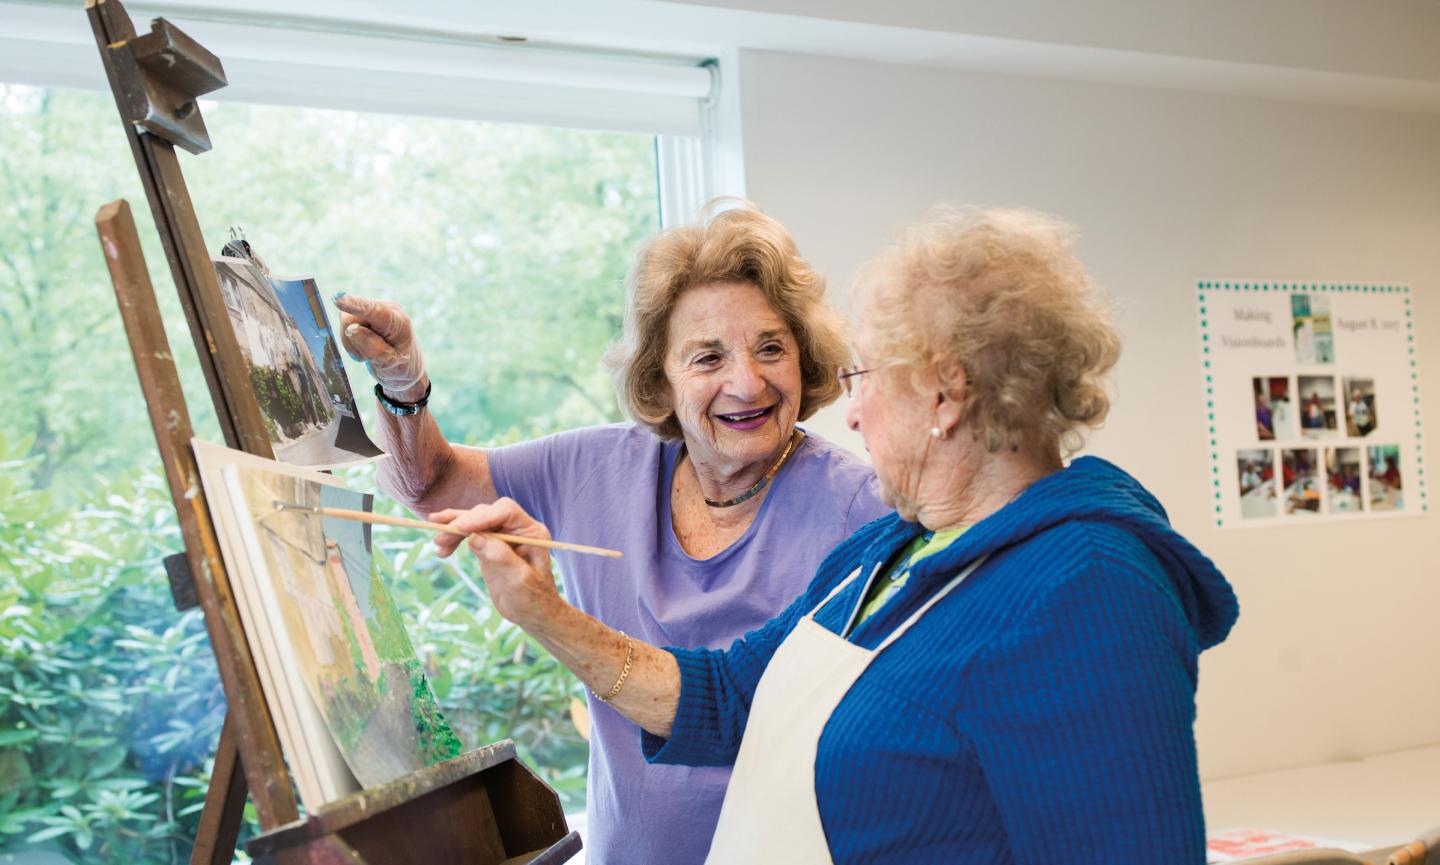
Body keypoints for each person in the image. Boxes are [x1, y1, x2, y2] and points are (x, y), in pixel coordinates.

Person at [432, 206, 1241, 864]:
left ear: (945, 392)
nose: (848, 410)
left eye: (863, 376)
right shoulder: (889, 551)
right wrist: (543, 609)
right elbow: (725, 698)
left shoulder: (1089, 586)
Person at [334, 203, 889, 865]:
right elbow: (431, 484)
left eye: (772, 346)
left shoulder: (861, 509)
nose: (748, 381)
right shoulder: (595, 465)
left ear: (805, 355)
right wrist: (403, 383)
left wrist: (545, 612)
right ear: (659, 376)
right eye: (708, 356)